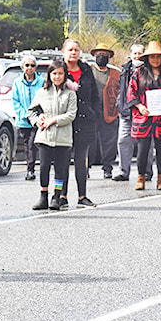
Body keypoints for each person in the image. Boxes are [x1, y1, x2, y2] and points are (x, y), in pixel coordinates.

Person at [126, 40, 161, 191]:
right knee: (143, 150)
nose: (155, 60)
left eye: (158, 57)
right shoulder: (139, 73)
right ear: (147, 59)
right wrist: (139, 106)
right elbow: (131, 93)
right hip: (144, 117)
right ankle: (140, 177)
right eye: (152, 57)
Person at [28, 60, 78, 210]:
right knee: (43, 167)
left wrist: (54, 120)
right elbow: (31, 111)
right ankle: (43, 195)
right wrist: (38, 120)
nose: (57, 77)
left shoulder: (70, 94)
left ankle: (56, 196)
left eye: (60, 73)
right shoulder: (42, 92)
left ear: (65, 75)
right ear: (49, 75)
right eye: (54, 73)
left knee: (60, 168)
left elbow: (71, 114)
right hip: (45, 137)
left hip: (63, 138)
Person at [63, 38, 102, 209]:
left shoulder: (86, 70)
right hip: (64, 122)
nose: (73, 53)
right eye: (70, 50)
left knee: (81, 161)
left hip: (85, 121)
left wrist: (94, 113)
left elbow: (94, 95)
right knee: (62, 162)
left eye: (76, 50)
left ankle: (82, 196)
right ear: (64, 52)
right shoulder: (58, 70)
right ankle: (60, 195)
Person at [112, 43, 153, 182]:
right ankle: (124, 172)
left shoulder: (150, 70)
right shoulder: (125, 69)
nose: (137, 56)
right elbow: (122, 90)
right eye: (135, 53)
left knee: (145, 143)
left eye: (139, 54)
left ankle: (146, 172)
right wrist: (120, 104)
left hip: (143, 112)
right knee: (123, 141)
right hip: (126, 111)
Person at [89, 42, 121, 180]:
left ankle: (107, 167)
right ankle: (86, 167)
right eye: (99, 54)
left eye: (104, 55)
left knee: (109, 141)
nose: (101, 57)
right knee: (89, 141)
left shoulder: (116, 73)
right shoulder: (88, 71)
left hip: (110, 111)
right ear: (94, 56)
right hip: (91, 111)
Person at [12, 53, 44, 181]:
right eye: (27, 65)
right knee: (27, 145)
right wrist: (24, 114)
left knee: (33, 144)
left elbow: (44, 99)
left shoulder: (41, 81)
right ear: (22, 67)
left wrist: (38, 115)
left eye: (32, 65)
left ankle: (32, 169)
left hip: (37, 119)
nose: (29, 68)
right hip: (23, 121)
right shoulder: (17, 83)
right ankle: (30, 168)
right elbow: (15, 101)